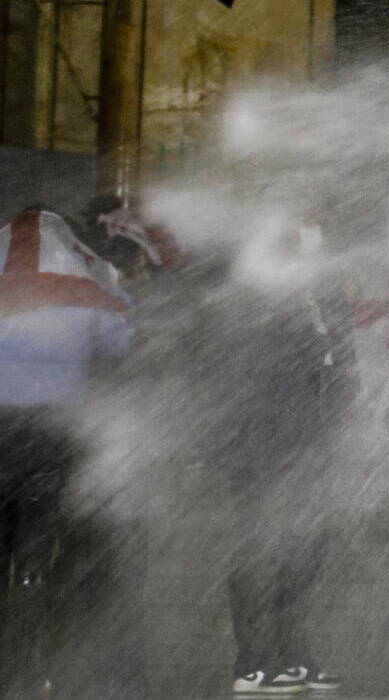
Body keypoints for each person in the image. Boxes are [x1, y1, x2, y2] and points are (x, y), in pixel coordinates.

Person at [191, 219, 353, 695]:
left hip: (302, 444)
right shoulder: (252, 301)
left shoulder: (308, 301)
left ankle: (291, 655)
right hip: (260, 450)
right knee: (258, 553)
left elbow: (325, 369)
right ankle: (252, 662)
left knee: (303, 551)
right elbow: (243, 374)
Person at [0, 206, 133, 697]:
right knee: (35, 545)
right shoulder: (83, 285)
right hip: (50, 434)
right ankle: (29, 670)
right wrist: (114, 288)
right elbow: (122, 341)